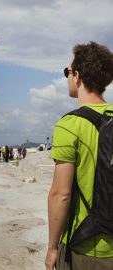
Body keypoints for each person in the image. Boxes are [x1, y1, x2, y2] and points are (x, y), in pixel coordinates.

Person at [45, 42, 113, 270]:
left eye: (67, 72)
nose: (67, 77)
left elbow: (60, 195)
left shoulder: (69, 125)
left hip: (85, 245)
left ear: (77, 77)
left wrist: (52, 247)